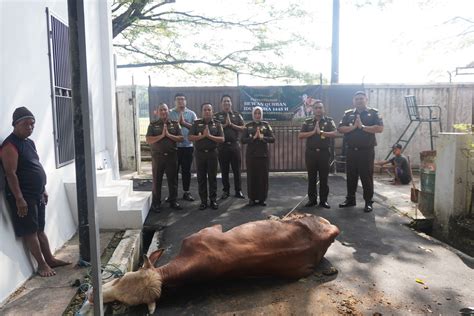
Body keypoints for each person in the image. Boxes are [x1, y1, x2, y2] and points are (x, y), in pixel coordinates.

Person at [2, 107, 70, 277]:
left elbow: (35, 166)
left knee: (40, 229)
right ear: (16, 124)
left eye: (33, 124)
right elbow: (11, 173)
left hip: (37, 194)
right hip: (24, 197)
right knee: (30, 231)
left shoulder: (29, 143)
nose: (30, 127)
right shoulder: (10, 145)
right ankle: (41, 265)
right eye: (26, 124)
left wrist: (43, 189)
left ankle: (50, 259)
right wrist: (19, 198)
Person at [338, 91, 384, 212]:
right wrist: (353, 127)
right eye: (357, 99)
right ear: (354, 101)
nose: (359, 101)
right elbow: (341, 129)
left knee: (366, 177)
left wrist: (363, 127)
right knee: (351, 176)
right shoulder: (348, 114)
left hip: (366, 151)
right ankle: (350, 199)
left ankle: (368, 202)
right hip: (351, 151)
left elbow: (380, 128)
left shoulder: (373, 113)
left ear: (366, 99)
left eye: (361, 99)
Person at [298, 100, 338, 208]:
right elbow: (300, 135)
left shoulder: (329, 121)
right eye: (316, 108)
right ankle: (312, 200)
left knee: (324, 178)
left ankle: (323, 200)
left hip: (324, 153)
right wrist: (312, 132)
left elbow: (335, 133)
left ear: (323, 109)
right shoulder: (307, 121)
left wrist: (321, 132)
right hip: (311, 153)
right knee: (311, 178)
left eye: (320, 108)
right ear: (313, 109)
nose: (318, 110)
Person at [146, 103, 184, 212]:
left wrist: (168, 135)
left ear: (168, 111)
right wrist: (161, 136)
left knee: (173, 180)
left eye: (165, 110)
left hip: (171, 156)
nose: (163, 112)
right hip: (158, 157)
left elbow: (181, 138)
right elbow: (149, 140)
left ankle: (173, 201)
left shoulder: (175, 124)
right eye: (161, 110)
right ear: (158, 112)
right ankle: (156, 203)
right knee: (157, 180)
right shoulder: (153, 125)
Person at [188, 103, 224, 210]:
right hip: (200, 154)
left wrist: (209, 136)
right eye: (205, 110)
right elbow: (190, 137)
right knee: (201, 178)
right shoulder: (196, 123)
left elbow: (222, 139)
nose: (207, 111)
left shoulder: (217, 124)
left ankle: (213, 200)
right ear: (202, 112)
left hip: (212, 154)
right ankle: (203, 201)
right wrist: (203, 136)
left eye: (209, 109)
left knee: (212, 178)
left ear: (212, 111)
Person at [241, 106, 275, 206]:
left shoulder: (266, 125)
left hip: (263, 156)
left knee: (263, 177)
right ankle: (252, 198)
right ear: (252, 114)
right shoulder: (248, 126)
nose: (257, 115)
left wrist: (262, 137)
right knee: (252, 177)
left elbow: (273, 139)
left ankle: (262, 198)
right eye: (255, 113)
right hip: (251, 156)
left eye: (259, 113)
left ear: (261, 115)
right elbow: (242, 140)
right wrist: (254, 138)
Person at [214, 95, 245, 200]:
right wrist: (225, 125)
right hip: (222, 146)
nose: (226, 103)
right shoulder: (217, 116)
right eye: (224, 101)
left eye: (228, 101)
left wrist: (231, 125)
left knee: (237, 170)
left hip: (234, 146)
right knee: (224, 170)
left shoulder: (237, 115)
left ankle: (238, 190)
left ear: (231, 103)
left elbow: (243, 128)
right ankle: (226, 191)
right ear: (221, 104)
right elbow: (213, 129)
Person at [169, 93, 197, 202]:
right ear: (174, 102)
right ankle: (173, 194)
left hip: (187, 147)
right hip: (174, 148)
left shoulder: (191, 114)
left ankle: (186, 192)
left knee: (186, 171)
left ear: (186, 101)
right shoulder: (170, 113)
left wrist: (184, 123)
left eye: (182, 99)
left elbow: (196, 129)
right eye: (178, 99)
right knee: (173, 172)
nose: (181, 101)